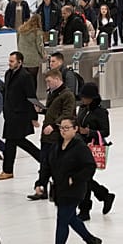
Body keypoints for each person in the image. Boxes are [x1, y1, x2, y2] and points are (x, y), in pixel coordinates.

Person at [34, 117, 101, 244]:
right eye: (61, 128)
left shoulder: (80, 147)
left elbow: (90, 167)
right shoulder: (56, 146)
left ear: (75, 129)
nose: (63, 131)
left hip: (74, 190)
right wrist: (41, 182)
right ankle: (91, 240)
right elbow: (47, 166)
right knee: (70, 218)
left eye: (66, 128)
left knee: (62, 220)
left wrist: (74, 179)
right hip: (59, 189)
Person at [28, 69, 76, 200]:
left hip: (57, 135)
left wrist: (54, 126)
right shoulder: (52, 93)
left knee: (55, 163)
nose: (47, 84)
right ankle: (41, 187)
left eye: (49, 81)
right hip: (47, 135)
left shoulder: (67, 95)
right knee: (44, 162)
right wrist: (42, 110)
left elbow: (68, 114)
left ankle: (58, 189)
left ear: (57, 79)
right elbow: (52, 111)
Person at [0, 51, 40, 180]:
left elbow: (31, 97)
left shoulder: (25, 76)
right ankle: (8, 170)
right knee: (13, 142)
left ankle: (44, 159)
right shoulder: (8, 73)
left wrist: (34, 117)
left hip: (20, 115)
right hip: (10, 114)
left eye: (12, 61)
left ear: (20, 62)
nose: (9, 63)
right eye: (9, 61)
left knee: (16, 141)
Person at [76, 83, 115, 222]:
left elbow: (106, 131)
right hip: (79, 146)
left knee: (84, 178)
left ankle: (85, 210)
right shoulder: (81, 109)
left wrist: (89, 132)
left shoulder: (101, 112)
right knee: (84, 178)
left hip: (92, 148)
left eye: (86, 97)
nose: (83, 100)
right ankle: (105, 196)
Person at [17, 14, 46, 87]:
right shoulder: (37, 32)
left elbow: (18, 43)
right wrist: (44, 55)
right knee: (33, 80)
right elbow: (40, 46)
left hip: (22, 59)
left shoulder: (21, 31)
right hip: (33, 60)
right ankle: (32, 96)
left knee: (24, 81)